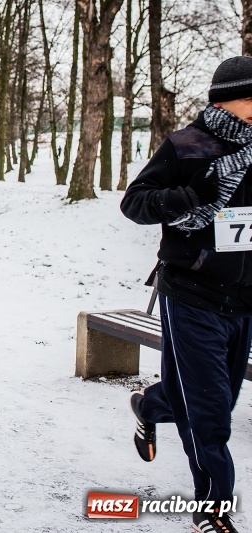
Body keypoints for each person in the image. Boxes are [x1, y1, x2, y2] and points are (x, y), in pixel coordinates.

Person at [120, 56, 252, 533]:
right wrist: (190, 197)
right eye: (250, 98)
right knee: (212, 416)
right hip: (191, 294)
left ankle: (152, 405)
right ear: (223, 101)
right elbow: (135, 203)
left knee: (213, 401)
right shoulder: (187, 145)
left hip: (244, 301)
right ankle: (212, 509)